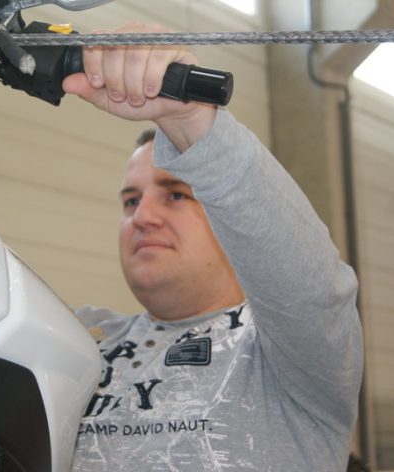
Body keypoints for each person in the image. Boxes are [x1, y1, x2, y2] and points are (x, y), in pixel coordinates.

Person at [61, 22, 364, 471]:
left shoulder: (287, 357)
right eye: (131, 201)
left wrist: (191, 124)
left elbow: (313, 288)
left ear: (228, 216)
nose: (142, 216)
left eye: (175, 195)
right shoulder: (80, 339)